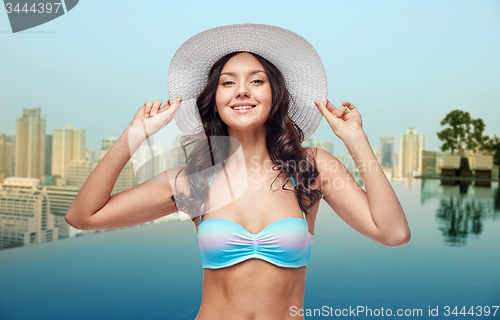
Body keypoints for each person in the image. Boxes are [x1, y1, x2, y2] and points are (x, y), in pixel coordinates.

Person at [65, 24, 410, 320]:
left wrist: (355, 138)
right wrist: (135, 133)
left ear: (274, 94)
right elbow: (83, 216)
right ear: (214, 98)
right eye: (228, 83)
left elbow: (393, 233)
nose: (242, 90)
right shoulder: (192, 180)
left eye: (256, 80)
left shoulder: (311, 167)